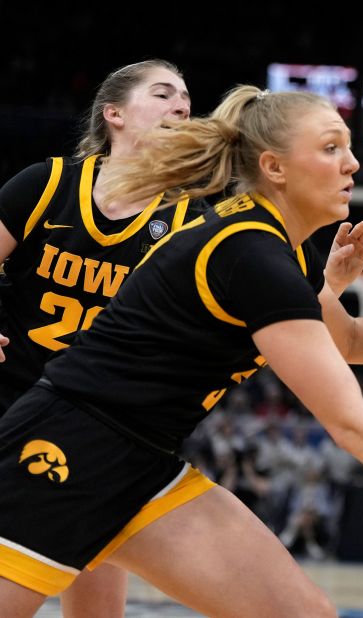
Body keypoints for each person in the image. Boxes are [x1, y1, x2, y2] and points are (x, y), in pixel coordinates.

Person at [0, 85, 363, 617]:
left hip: (144, 467)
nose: (352, 164)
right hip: (65, 445)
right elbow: (350, 423)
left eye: (350, 148)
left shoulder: (281, 253)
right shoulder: (250, 254)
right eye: (331, 148)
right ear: (274, 167)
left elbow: (352, 340)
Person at [0, 59, 202, 618]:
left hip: (97, 425)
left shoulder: (193, 222)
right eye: (163, 94)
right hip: (10, 404)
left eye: (186, 99)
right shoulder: (47, 184)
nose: (181, 106)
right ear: (113, 113)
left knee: (94, 600)